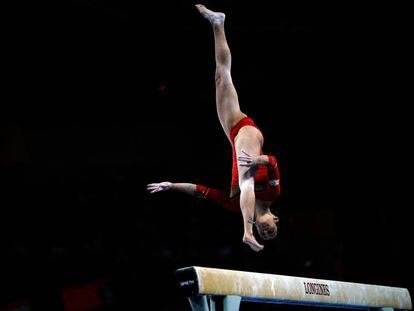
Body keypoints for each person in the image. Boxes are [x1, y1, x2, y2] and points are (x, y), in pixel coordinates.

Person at [147, 4, 281, 252]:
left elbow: (202, 192)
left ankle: (217, 24)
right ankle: (246, 233)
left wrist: (172, 185)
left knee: (221, 76)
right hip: (250, 135)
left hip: (233, 133)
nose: (267, 231)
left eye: (264, 234)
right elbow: (273, 164)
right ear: (275, 218)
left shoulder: (233, 204)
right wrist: (260, 159)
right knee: (247, 181)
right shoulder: (272, 195)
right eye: (270, 230)